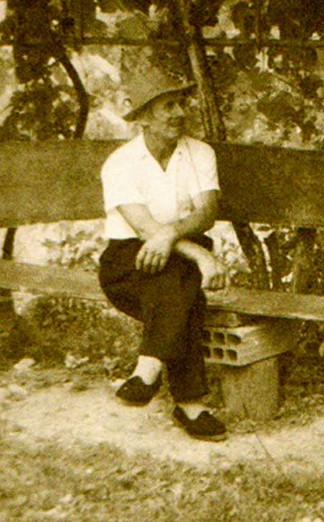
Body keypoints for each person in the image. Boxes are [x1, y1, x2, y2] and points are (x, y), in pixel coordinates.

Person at [98, 66, 229, 442]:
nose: (178, 113)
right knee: (184, 283)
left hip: (173, 259)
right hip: (127, 262)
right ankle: (190, 405)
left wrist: (172, 235)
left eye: (180, 103)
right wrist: (202, 258)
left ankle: (148, 370)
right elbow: (143, 231)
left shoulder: (199, 154)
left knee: (176, 282)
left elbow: (206, 213)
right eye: (166, 106)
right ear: (142, 118)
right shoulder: (120, 164)